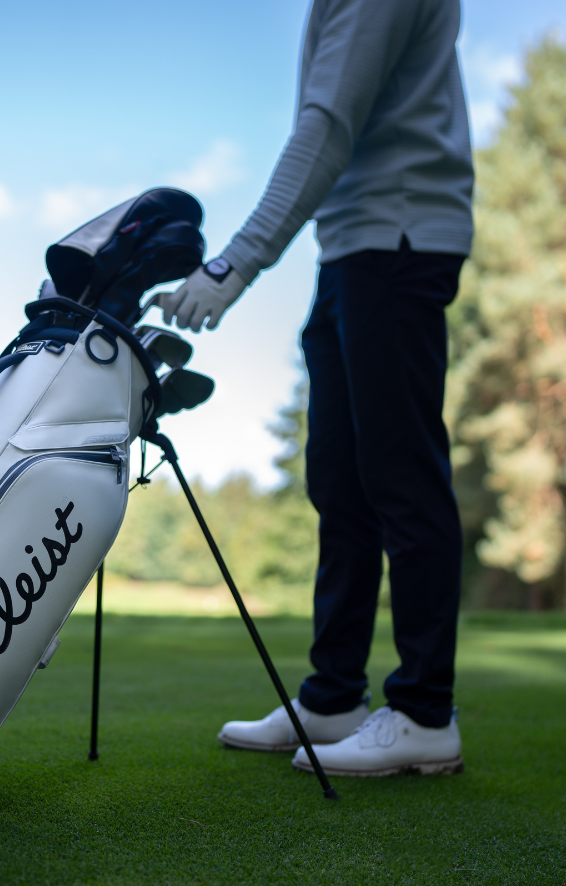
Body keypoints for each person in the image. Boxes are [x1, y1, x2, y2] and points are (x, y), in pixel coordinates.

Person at [161, 0, 473, 776]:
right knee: (340, 478)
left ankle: (425, 714)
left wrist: (234, 263)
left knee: (400, 472)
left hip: (398, 237)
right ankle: (334, 698)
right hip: (353, 247)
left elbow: (327, 126)